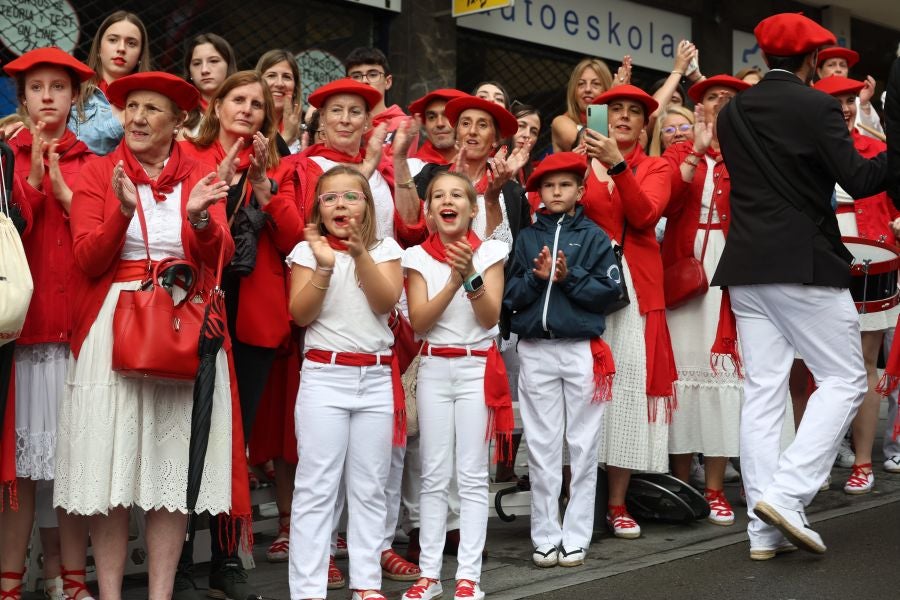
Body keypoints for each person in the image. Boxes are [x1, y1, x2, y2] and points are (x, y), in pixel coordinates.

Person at [712, 13, 889, 558]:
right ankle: (787, 496)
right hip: (803, 264)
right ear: (814, 60)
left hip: (745, 265)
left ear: (765, 57)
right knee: (843, 378)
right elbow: (858, 180)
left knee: (763, 393)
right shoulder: (816, 106)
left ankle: (762, 532)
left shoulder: (732, 112)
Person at [55, 71, 237, 599]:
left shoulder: (202, 173)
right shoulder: (97, 173)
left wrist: (201, 219)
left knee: (170, 472)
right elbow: (88, 259)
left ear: (179, 121)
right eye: (131, 106)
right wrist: (123, 212)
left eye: (152, 109)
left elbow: (217, 257)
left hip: (181, 321)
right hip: (114, 323)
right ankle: (109, 594)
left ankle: (160, 595)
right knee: (110, 471)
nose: (136, 117)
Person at [182, 69, 303, 599]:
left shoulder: (276, 169)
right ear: (217, 105)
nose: (248, 109)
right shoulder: (190, 157)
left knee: (235, 442)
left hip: (251, 323)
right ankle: (182, 559)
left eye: (258, 104)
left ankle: (227, 559)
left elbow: (298, 239)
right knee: (187, 441)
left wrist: (264, 192)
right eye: (239, 99)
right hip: (195, 316)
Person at [0, 47, 95, 600]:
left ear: (74, 96)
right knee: (18, 472)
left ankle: (67, 574)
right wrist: (31, 176)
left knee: (72, 467)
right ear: (22, 97)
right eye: (36, 88)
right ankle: (12, 580)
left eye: (58, 87)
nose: (47, 98)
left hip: (74, 334)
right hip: (19, 334)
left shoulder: (91, 163)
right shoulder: (3, 162)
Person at [287, 165, 404, 600]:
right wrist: (323, 265)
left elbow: (385, 301)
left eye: (350, 197)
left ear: (367, 205)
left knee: (369, 486)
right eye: (330, 197)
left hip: (374, 378)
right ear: (318, 206)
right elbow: (300, 315)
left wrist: (359, 254)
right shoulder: (306, 250)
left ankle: (367, 584)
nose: (340, 204)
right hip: (324, 377)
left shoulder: (386, 248)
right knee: (316, 486)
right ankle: (307, 589)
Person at [504, 152, 620, 567]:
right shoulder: (526, 239)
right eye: (549, 186)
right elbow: (509, 299)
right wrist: (537, 280)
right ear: (538, 193)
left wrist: (569, 277)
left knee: (583, 446)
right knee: (541, 447)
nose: (556, 191)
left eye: (565, 185)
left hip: (579, 350)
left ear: (580, 191)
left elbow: (611, 296)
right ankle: (545, 535)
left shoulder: (594, 236)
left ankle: (576, 534)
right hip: (535, 349)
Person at [400, 171, 510, 600]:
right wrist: (452, 278)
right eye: (439, 196)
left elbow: (489, 318)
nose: (448, 201)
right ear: (429, 212)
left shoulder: (492, 251)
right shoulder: (416, 258)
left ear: (472, 207)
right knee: (432, 473)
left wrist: (471, 275)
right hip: (433, 369)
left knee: (470, 474)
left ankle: (468, 576)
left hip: (476, 368)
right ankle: (428, 575)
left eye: (458, 195)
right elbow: (421, 321)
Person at [580, 85, 676, 540]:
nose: (621, 117)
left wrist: (617, 166)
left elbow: (644, 216)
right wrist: (585, 164)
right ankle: (575, 498)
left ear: (645, 124)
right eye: (613, 109)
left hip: (634, 288)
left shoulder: (655, 166)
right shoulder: (578, 161)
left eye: (633, 112)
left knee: (627, 391)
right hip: (580, 287)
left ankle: (617, 502)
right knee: (577, 390)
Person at [661, 75, 751, 526]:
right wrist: (694, 150)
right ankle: (680, 485)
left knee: (723, 379)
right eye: (713, 97)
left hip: (729, 270)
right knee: (680, 377)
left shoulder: (749, 152)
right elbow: (663, 201)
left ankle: (715, 487)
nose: (720, 104)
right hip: (682, 269)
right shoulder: (679, 152)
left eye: (729, 99)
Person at [812, 75, 900, 495]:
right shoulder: (805, 150)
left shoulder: (878, 150)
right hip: (818, 261)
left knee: (865, 366)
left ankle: (862, 462)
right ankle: (815, 461)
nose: (844, 108)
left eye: (849, 100)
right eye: (835, 100)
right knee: (810, 369)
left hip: (872, 263)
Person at [292, 78, 424, 248]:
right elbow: (310, 229)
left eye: (355, 112)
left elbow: (412, 231)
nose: (345, 119)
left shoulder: (383, 169)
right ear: (323, 117)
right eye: (336, 110)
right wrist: (364, 172)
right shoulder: (303, 168)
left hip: (388, 272)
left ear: (367, 121)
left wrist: (400, 160)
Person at [416, 94, 532, 251]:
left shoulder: (513, 193)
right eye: (465, 123)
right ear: (456, 134)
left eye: (482, 125)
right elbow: (412, 232)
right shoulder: (429, 175)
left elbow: (514, 257)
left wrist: (492, 200)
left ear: (496, 140)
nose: (472, 131)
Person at [69, 11, 151, 155]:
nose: (121, 48)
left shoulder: (154, 102)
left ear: (140, 54)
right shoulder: (75, 93)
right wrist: (120, 120)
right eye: (113, 40)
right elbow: (73, 147)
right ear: (99, 48)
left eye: (131, 43)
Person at [816, 46, 883, 139]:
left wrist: (864, 104)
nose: (838, 69)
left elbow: (877, 138)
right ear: (819, 72)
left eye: (843, 65)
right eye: (831, 65)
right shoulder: (812, 100)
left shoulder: (860, 101)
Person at [551, 58, 613, 152]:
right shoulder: (560, 122)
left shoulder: (618, 123)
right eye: (581, 84)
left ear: (606, 89)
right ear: (574, 91)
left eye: (596, 84)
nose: (587, 89)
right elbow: (591, 147)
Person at [182, 33, 237, 137]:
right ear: (189, 72)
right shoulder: (179, 112)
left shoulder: (245, 109)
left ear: (228, 66)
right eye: (197, 63)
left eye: (213, 61)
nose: (204, 70)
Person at [407, 88, 469, 173]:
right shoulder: (411, 168)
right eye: (432, 117)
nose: (440, 123)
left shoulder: (488, 166)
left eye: (447, 115)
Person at [256, 49, 303, 155]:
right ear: (257, 82)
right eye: (271, 75)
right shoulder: (245, 123)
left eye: (286, 77)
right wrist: (286, 137)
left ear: (295, 88)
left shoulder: (306, 134)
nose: (279, 83)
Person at [511, 103, 540, 187]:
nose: (527, 135)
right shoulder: (488, 163)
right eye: (521, 126)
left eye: (534, 132)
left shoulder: (537, 176)